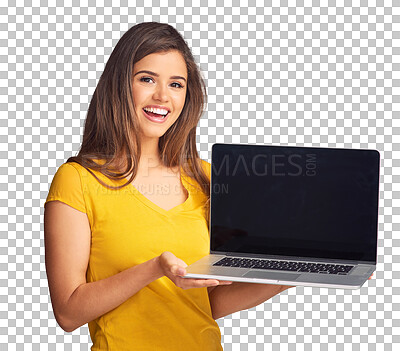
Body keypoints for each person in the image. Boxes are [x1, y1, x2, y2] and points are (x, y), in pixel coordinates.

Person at [43, 22, 373, 350]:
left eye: (176, 84)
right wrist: (155, 269)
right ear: (118, 85)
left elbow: (208, 303)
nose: (162, 96)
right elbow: (69, 313)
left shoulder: (206, 177)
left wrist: (291, 274)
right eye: (147, 79)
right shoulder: (78, 180)